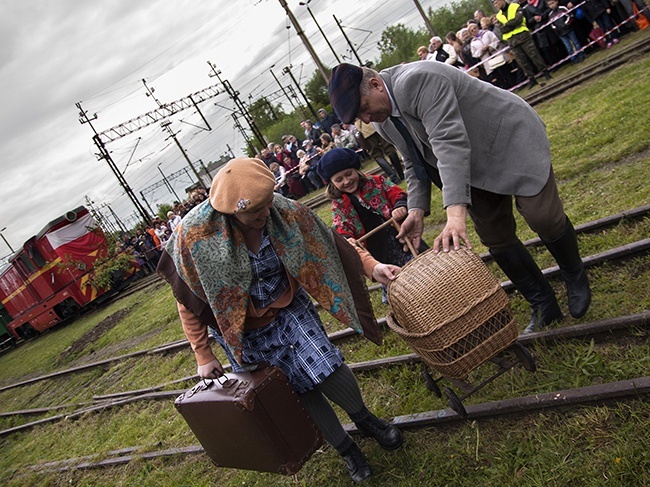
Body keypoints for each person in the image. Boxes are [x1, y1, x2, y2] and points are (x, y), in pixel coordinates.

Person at [157, 158, 403, 482]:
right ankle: (348, 451)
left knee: (326, 367)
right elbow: (188, 300)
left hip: (288, 308)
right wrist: (203, 353)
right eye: (253, 212)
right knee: (297, 391)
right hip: (242, 332)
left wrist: (372, 267)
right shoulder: (195, 237)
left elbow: (330, 242)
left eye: (267, 203)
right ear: (230, 212)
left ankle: (367, 420)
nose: (264, 214)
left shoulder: (281, 210)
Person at [327, 62, 592, 334]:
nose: (367, 119)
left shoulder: (417, 80)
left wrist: (455, 215)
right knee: (495, 237)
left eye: (363, 108)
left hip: (509, 141)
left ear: (375, 85)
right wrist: (415, 210)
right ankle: (543, 302)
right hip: (471, 166)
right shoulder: (384, 122)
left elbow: (448, 142)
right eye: (360, 116)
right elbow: (413, 162)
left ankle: (574, 275)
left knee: (543, 217)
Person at [318, 148, 427, 302]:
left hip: (400, 237)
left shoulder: (376, 182)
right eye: (339, 179)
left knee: (420, 268)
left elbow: (396, 193)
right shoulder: (339, 205)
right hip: (378, 250)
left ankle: (431, 291)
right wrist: (347, 238)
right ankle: (406, 302)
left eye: (349, 174)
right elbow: (341, 226)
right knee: (395, 282)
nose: (347, 181)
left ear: (356, 170)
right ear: (332, 183)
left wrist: (399, 206)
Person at [493, 0, 551, 88]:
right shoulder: (498, 16)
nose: (496, 5)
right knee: (522, 62)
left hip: (523, 37)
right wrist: (511, 25)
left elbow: (518, 20)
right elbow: (501, 30)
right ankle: (531, 79)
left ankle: (545, 73)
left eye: (497, 2)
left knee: (534, 55)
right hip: (512, 41)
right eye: (494, 3)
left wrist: (507, 25)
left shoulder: (515, 6)